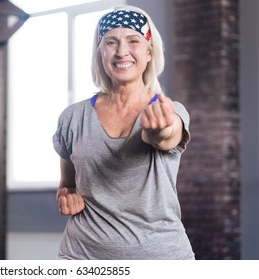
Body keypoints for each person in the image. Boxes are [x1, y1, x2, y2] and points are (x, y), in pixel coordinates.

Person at [52, 5, 195, 259]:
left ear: (150, 52)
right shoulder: (73, 117)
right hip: (81, 256)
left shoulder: (170, 111)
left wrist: (157, 132)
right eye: (110, 42)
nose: (121, 52)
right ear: (100, 52)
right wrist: (67, 194)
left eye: (133, 41)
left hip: (161, 258)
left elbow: (166, 136)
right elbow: (68, 183)